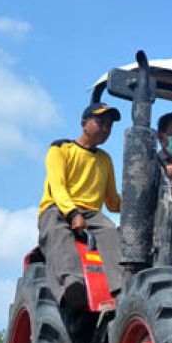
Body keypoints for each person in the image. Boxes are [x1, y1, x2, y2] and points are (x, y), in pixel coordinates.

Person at [38, 103, 125, 309]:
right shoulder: (60, 149)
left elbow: (112, 202)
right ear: (84, 123)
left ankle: (122, 290)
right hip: (58, 207)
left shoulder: (105, 159)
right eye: (100, 122)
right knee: (58, 232)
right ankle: (72, 282)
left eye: (110, 126)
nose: (105, 129)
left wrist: (139, 204)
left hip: (92, 214)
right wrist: (72, 213)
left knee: (111, 231)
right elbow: (57, 187)